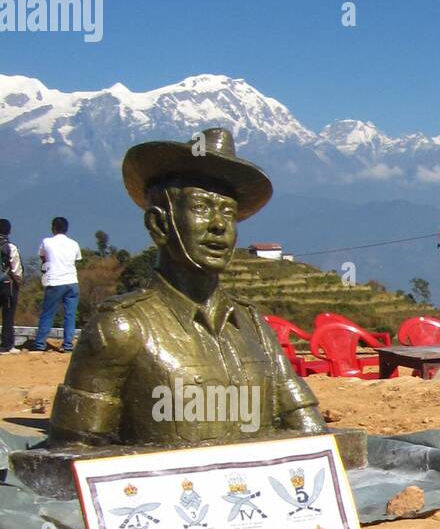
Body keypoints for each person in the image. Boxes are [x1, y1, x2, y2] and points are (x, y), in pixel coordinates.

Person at [48, 127, 325, 447]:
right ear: (159, 224)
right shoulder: (121, 328)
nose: (219, 225)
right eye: (200, 208)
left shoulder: (253, 327)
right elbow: (71, 453)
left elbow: (312, 435)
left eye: (228, 212)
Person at [27, 217, 80, 352]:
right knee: (70, 315)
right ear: (66, 229)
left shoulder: (47, 242)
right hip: (72, 282)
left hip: (55, 281)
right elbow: (76, 260)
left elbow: (43, 257)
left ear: (53, 228)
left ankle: (40, 344)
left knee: (48, 314)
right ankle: (68, 344)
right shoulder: (74, 244)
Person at [0, 219, 22, 353]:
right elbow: (16, 269)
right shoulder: (10, 247)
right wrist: (18, 283)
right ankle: (7, 345)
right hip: (7, 285)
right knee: (8, 315)